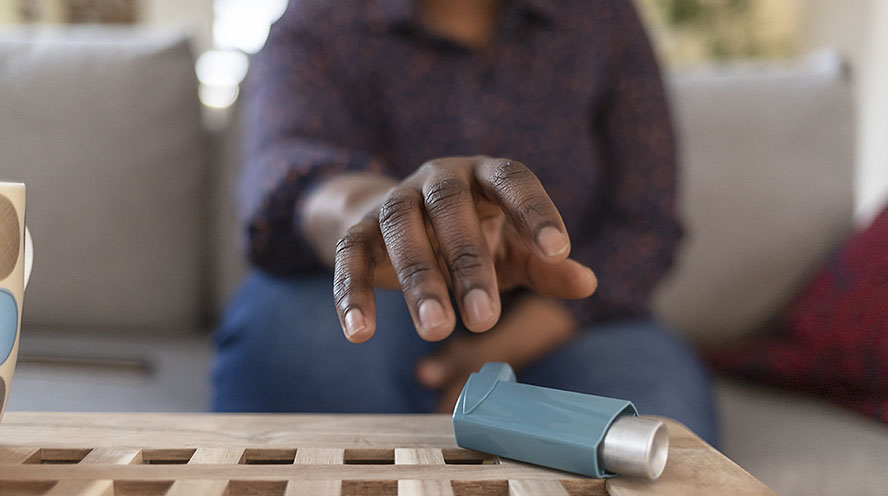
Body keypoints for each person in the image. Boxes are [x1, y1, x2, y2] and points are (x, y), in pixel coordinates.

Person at [212, 0, 718, 445]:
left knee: (647, 429)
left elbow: (646, 222)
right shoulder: (322, 18)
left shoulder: (600, 16)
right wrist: (378, 210)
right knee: (299, 347)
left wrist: (505, 346)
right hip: (368, 293)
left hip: (571, 316)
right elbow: (289, 171)